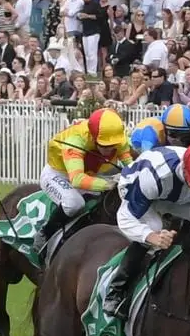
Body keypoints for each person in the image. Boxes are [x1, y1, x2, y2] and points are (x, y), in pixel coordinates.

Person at [102, 142, 190, 319]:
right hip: (140, 190)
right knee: (154, 227)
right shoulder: (152, 178)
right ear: (185, 170)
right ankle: (115, 291)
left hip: (177, 195)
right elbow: (125, 217)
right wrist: (151, 237)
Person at [32, 108, 133, 253]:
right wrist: (108, 184)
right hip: (59, 175)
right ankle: (44, 233)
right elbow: (77, 179)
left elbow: (130, 166)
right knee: (74, 203)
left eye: (113, 146)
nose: (109, 150)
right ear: (93, 136)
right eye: (104, 146)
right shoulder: (75, 140)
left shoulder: (118, 138)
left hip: (89, 175)